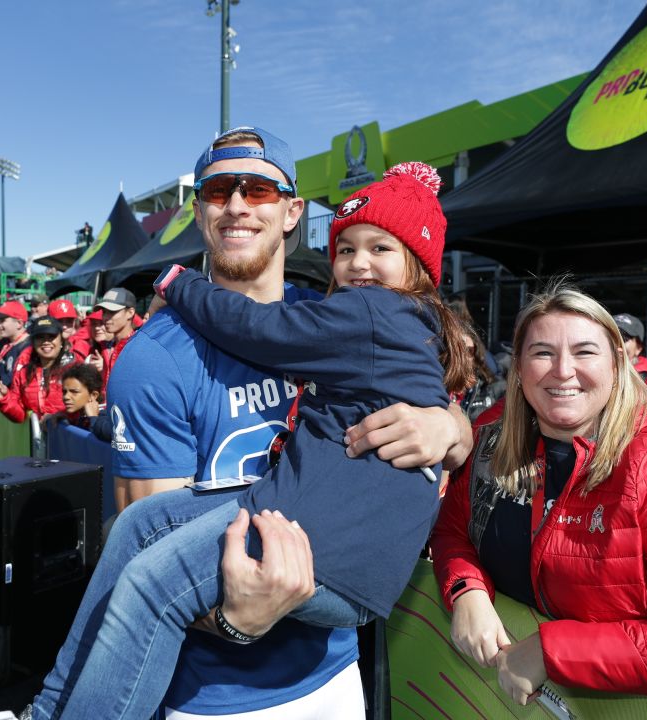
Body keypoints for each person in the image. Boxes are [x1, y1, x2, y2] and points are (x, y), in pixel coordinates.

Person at [28, 126, 472, 720]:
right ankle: (49, 710)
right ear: (199, 209)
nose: (237, 204)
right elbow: (161, 570)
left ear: (292, 212)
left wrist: (449, 426)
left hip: (332, 665)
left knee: (149, 562)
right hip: (217, 698)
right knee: (139, 535)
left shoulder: (326, 317)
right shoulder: (156, 358)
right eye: (219, 190)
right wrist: (241, 620)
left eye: (258, 190)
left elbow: (441, 394)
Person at [428, 280, 647, 710]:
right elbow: (452, 530)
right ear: (519, 368)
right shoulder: (494, 434)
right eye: (542, 352)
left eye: (584, 352)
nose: (562, 370)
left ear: (618, 364)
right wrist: (466, 589)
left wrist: (556, 651)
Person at [0, 316, 70, 423]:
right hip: (39, 438)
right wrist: (4, 398)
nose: (46, 341)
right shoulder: (24, 373)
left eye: (51, 336)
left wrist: (59, 417)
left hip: (69, 437)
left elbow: (83, 407)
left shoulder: (74, 369)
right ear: (33, 342)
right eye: (40, 337)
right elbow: (20, 416)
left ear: (61, 340)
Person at [84, 287, 138, 385]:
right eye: (104, 312)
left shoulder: (138, 347)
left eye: (112, 312)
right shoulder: (105, 347)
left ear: (130, 313)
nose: (105, 317)